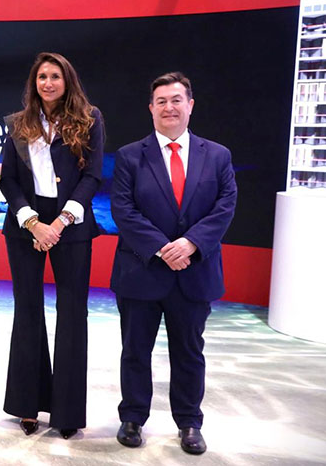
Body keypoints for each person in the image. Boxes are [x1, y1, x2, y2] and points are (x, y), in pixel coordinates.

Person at [110, 72, 236, 455]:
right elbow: (123, 209)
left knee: (189, 351)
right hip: (142, 270)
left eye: (176, 99)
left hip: (194, 272)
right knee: (135, 350)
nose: (169, 107)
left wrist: (191, 243)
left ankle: (189, 423)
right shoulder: (131, 155)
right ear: (151, 108)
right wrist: (164, 248)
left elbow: (225, 205)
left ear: (190, 105)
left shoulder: (217, 155)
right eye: (161, 101)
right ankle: (132, 417)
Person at [0, 52, 104, 439]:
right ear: (34, 83)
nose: (48, 83)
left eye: (55, 76)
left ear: (67, 80)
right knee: (27, 312)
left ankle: (67, 413)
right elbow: (7, 180)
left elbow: (92, 177)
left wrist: (60, 222)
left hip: (71, 224)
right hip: (27, 223)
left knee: (72, 315)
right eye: (41, 76)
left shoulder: (90, 119)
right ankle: (27, 406)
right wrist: (31, 221)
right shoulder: (17, 123)